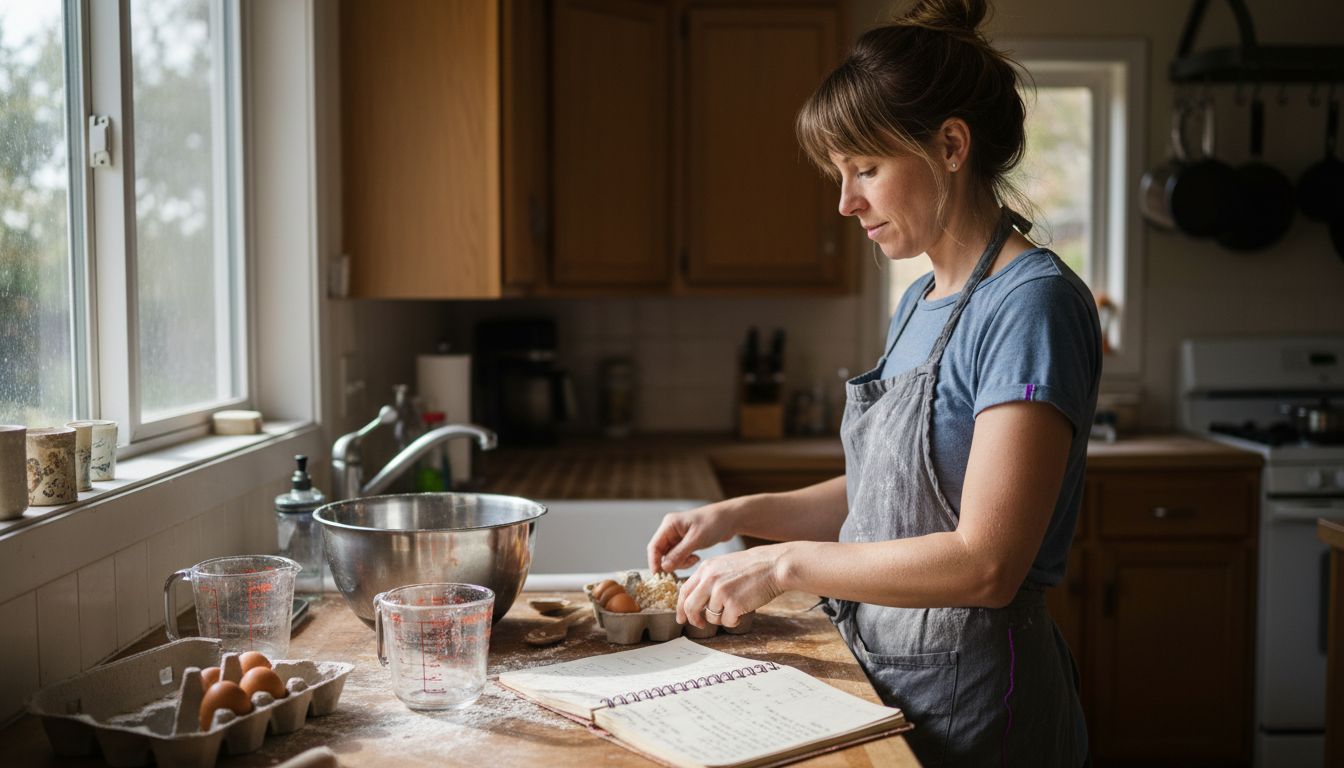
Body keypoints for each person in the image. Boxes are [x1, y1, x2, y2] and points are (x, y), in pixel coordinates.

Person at [645, 0, 1099, 765]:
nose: (845, 202)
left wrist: (781, 561)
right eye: (840, 173)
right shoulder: (920, 302)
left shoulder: (1031, 305)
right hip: (890, 673)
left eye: (866, 169)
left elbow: (986, 563)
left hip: (982, 704)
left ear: (951, 145)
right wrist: (741, 514)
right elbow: (893, 494)